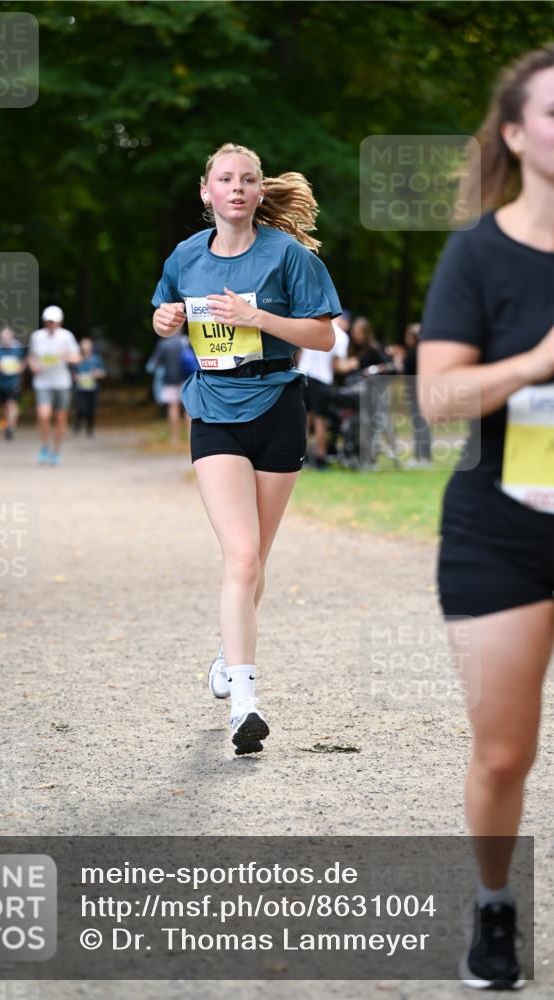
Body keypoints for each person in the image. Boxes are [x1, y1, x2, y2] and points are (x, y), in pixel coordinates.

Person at [418, 44, 554, 991]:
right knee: (504, 753)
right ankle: (494, 904)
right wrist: (536, 361)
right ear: (514, 135)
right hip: (503, 528)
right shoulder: (477, 252)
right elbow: (437, 397)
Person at [151, 142, 341, 755]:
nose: (236, 188)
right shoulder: (185, 256)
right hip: (213, 409)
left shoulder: (287, 256)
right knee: (240, 556)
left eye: (248, 179)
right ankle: (245, 703)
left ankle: (227, 658)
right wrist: (165, 320)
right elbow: (163, 306)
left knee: (254, 562)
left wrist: (259, 320)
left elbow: (324, 335)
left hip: (278, 407)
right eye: (225, 179)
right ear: (205, 192)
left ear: (260, 193)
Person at [28, 305, 81, 465]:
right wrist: (33, 367)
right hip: (42, 382)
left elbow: (77, 357)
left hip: (62, 383)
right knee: (44, 416)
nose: (51, 325)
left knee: (60, 419)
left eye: (54, 322)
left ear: (60, 322)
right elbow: (31, 357)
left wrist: (65, 357)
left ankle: (56, 450)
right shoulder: (37, 336)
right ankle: (44, 446)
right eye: (49, 322)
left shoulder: (66, 336)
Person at [296, 317, 350, 469]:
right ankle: (321, 456)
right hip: (321, 379)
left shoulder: (312, 326)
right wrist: (351, 365)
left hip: (304, 375)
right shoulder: (341, 336)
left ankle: (302, 455)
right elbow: (336, 365)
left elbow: (299, 354)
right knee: (321, 420)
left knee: (305, 418)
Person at [147, 332, 194, 444]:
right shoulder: (186, 342)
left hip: (169, 380)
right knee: (188, 409)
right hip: (186, 379)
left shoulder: (163, 344)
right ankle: (190, 436)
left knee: (173, 408)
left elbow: (154, 364)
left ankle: (175, 437)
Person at [402, 323, 431, 467]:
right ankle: (421, 456)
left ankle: (422, 456)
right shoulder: (421, 352)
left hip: (418, 392)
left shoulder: (415, 353)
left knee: (420, 424)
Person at [73, 338, 106, 437]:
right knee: (81, 408)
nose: (85, 349)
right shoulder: (76, 358)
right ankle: (78, 422)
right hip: (80, 388)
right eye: (84, 347)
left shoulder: (96, 359)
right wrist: (75, 377)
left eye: (87, 347)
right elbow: (71, 372)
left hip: (93, 388)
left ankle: (89, 429)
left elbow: (103, 372)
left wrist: (97, 374)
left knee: (91, 410)